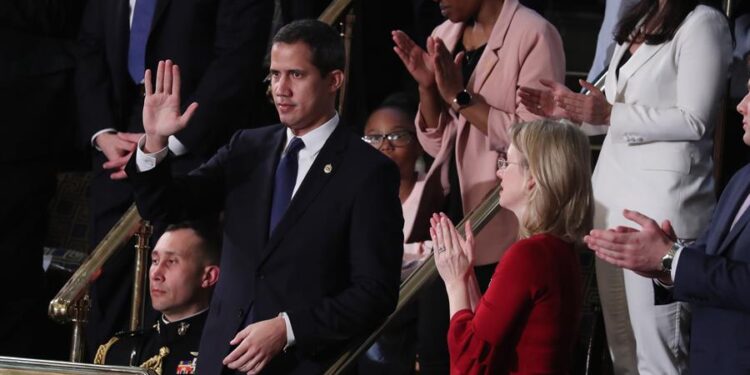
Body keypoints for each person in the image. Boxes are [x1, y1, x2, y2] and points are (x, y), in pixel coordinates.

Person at [125, 20, 403, 374]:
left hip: (302, 363)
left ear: (334, 80)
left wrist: (288, 328)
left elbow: (374, 294)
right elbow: (165, 206)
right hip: (221, 359)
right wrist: (154, 143)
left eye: (296, 75)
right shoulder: (247, 147)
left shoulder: (368, 171)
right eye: (274, 75)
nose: (281, 89)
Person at [519, 1, 732, 373]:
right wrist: (572, 112)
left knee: (660, 353)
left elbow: (695, 120)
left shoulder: (703, 23)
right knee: (621, 347)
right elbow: (613, 114)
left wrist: (609, 113)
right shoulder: (639, 17)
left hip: (660, 211)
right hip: (610, 204)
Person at [76, 0, 273, 352]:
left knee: (177, 285)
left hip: (194, 145)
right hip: (116, 142)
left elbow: (237, 58)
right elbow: (90, 47)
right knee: (106, 283)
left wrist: (170, 141)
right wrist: (102, 133)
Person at [391, 0, 565, 370]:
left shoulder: (534, 34)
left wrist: (460, 97)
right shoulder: (443, 36)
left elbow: (537, 142)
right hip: (454, 218)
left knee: (487, 356)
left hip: (502, 219)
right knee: (436, 348)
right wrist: (427, 89)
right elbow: (440, 144)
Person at [584, 79, 750, 374]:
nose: (740, 105)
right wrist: (664, 267)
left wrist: (672, 258)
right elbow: (711, 259)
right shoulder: (741, 179)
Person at [430, 119, 591, 374]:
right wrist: (468, 274)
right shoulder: (556, 249)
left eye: (506, 162)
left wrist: (454, 282)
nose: (498, 172)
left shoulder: (529, 254)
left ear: (533, 179)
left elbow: (469, 361)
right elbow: (489, 340)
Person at [94, 221, 221, 375]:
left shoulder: (228, 355)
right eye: (155, 261)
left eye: (171, 262)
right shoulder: (119, 351)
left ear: (208, 276)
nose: (155, 274)